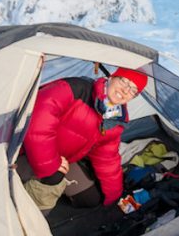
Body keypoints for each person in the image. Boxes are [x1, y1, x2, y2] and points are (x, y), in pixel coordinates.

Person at [19, 67, 148, 212]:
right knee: (50, 178)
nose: (125, 91)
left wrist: (115, 197)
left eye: (133, 90)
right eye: (124, 81)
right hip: (23, 149)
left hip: (66, 159)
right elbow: (37, 122)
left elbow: (107, 158)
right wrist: (51, 165)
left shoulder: (115, 119)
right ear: (112, 77)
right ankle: (27, 214)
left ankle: (48, 181)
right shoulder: (75, 88)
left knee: (90, 199)